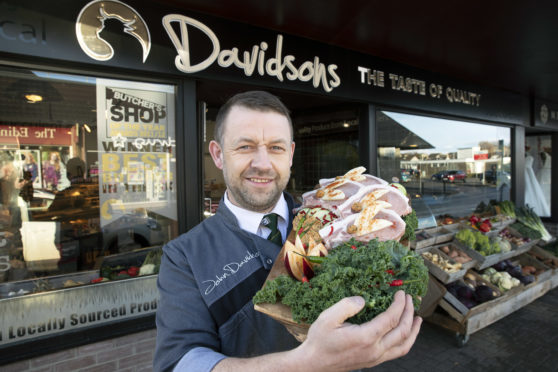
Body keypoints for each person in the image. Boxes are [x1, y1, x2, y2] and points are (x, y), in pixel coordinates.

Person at [154, 91, 422, 372]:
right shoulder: (183, 256)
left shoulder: (341, 220)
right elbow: (179, 363)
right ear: (218, 155)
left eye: (276, 148)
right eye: (245, 147)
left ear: (291, 154)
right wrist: (305, 363)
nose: (262, 163)